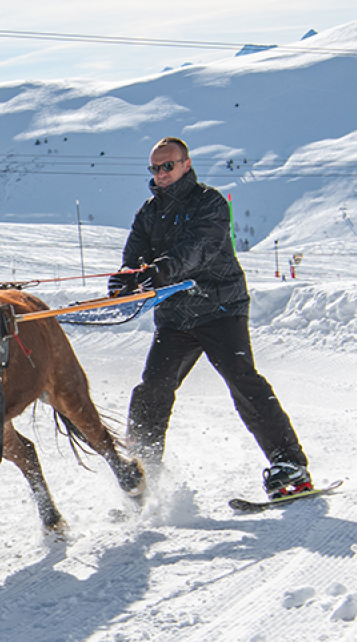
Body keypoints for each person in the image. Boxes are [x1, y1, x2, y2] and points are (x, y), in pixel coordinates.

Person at [109, 137, 312, 500]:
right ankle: (141, 471)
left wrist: (158, 272)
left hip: (220, 309)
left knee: (242, 381)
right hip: (175, 316)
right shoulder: (148, 213)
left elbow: (199, 249)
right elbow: (135, 256)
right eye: (154, 168)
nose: (161, 174)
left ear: (186, 164)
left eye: (167, 166)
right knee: (152, 389)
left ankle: (290, 465)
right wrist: (127, 278)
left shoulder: (210, 202)